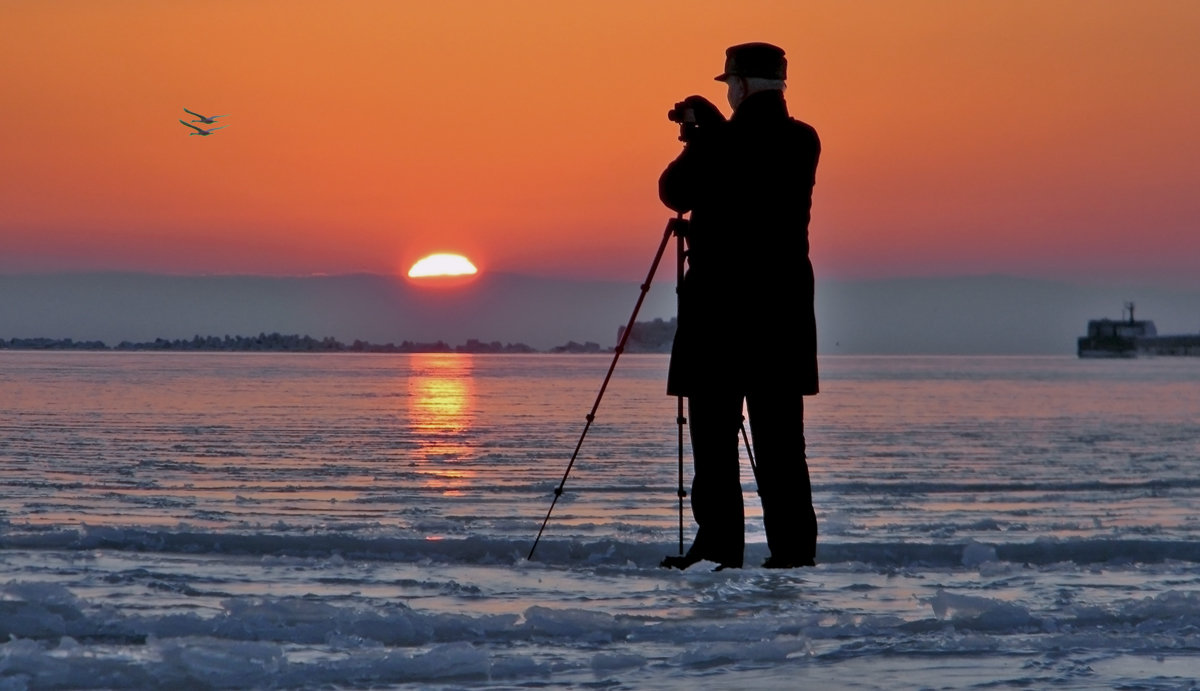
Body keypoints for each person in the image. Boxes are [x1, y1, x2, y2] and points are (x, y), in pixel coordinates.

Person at [658, 42, 820, 570]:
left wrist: (698, 140)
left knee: (714, 443)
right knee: (781, 447)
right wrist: (710, 134)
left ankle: (719, 548)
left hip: (720, 318)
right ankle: (793, 553)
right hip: (782, 320)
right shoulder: (802, 140)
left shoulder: (724, 145)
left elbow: (673, 191)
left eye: (729, 86)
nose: (726, 95)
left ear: (744, 86)